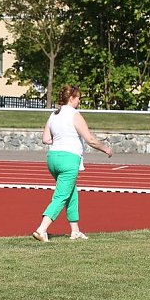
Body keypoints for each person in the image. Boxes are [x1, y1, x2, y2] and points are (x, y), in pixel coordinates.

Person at [32, 84, 112, 242]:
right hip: (69, 159)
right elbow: (90, 139)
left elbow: (46, 139)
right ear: (71, 98)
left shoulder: (54, 114)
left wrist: (61, 139)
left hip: (53, 158)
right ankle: (42, 229)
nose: (79, 101)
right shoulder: (75, 115)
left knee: (71, 192)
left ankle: (75, 230)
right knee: (61, 195)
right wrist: (106, 149)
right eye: (78, 98)